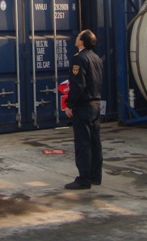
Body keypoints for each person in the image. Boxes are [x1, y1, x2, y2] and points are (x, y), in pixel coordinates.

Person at [64, 29, 103, 190]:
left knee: (83, 143)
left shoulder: (79, 59)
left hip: (83, 106)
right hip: (96, 104)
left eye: (78, 36)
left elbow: (78, 84)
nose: (76, 37)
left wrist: (69, 104)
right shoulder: (96, 58)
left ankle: (83, 179)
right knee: (95, 142)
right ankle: (95, 176)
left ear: (81, 42)